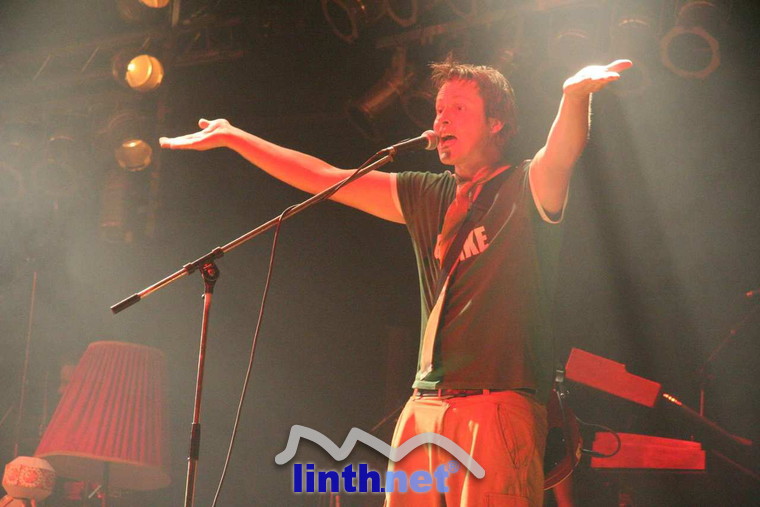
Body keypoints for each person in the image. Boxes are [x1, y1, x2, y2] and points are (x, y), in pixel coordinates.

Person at [160, 57, 632, 506]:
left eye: (458, 108)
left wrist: (574, 97)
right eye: (439, 109)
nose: (441, 118)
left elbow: (562, 153)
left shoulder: (527, 186)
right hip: (423, 406)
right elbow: (327, 178)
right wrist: (236, 138)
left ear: (497, 123)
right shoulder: (425, 193)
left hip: (495, 405)